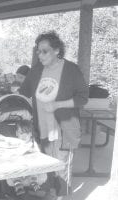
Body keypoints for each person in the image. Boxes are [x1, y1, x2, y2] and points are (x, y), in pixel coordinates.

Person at [19, 31, 89, 200]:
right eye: (38, 51)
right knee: (45, 168)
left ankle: (61, 197)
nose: (40, 55)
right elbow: (24, 93)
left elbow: (83, 98)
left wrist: (58, 104)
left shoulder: (71, 70)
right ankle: (50, 195)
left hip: (63, 130)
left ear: (57, 50)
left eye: (44, 51)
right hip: (41, 129)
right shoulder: (36, 71)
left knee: (61, 169)